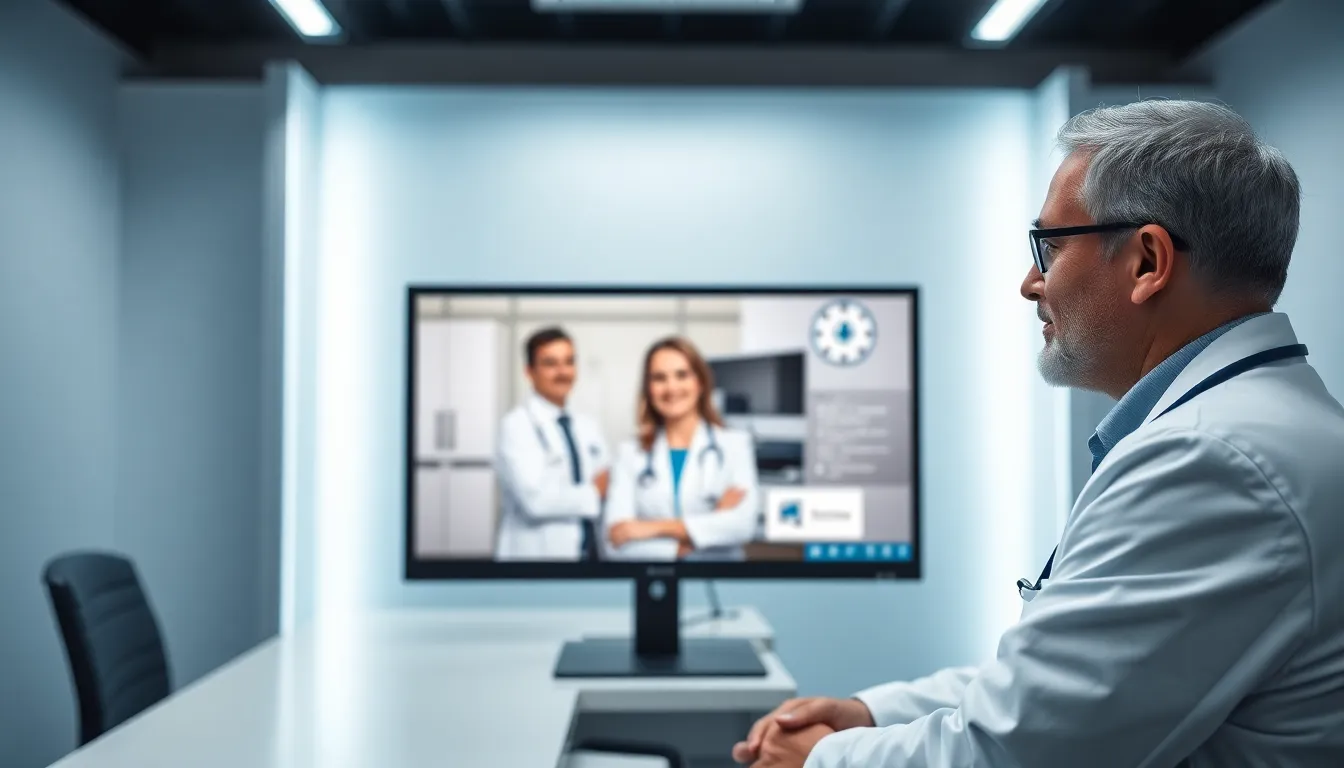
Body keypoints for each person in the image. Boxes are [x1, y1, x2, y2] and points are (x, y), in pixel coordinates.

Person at [733, 100, 1344, 767]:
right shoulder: (1256, 428)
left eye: (1049, 248)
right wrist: (873, 713)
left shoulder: (1211, 461)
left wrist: (821, 758)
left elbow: (1020, 750)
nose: (1031, 284)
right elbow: (1086, 677)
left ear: (1147, 261)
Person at [603, 336, 760, 561]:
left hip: (718, 578)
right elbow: (614, 542)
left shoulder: (735, 445)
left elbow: (743, 526)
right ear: (648, 389)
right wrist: (708, 526)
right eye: (659, 378)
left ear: (700, 382)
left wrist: (649, 528)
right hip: (655, 578)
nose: (671, 387)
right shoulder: (629, 453)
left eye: (682, 375)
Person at [495, 327, 610, 561]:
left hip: (588, 552)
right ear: (529, 371)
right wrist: (593, 492)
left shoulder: (586, 424)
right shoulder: (516, 426)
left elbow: (609, 480)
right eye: (550, 363)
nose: (563, 372)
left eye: (569, 362)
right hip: (537, 556)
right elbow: (535, 502)